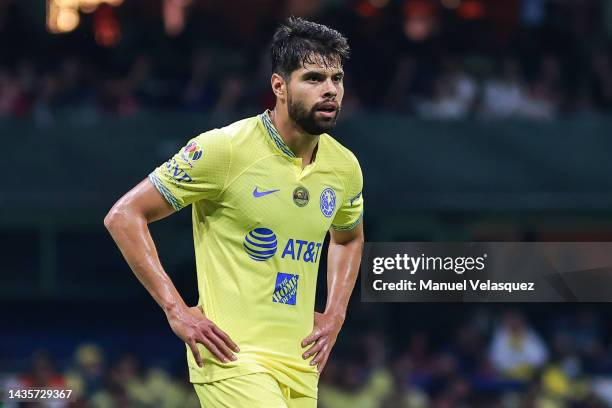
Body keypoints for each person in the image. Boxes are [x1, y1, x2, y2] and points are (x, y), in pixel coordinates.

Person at [104, 17, 364, 408]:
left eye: (337, 79)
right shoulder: (224, 149)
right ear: (279, 85)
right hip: (232, 359)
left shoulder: (344, 167)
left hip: (301, 365)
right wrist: (176, 310)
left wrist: (335, 313)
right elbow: (124, 215)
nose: (330, 90)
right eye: (313, 78)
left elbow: (348, 237)